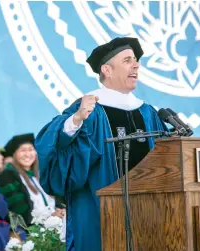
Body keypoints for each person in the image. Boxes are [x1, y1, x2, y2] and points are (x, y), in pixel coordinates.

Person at [34, 37, 168, 251]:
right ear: (107, 69)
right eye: (127, 60)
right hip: (99, 210)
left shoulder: (148, 112)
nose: (136, 65)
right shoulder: (90, 109)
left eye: (135, 60)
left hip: (147, 209)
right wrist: (76, 120)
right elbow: (53, 144)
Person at [0, 133, 65, 226]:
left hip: (54, 223)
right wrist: (50, 217)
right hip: (32, 228)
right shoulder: (8, 175)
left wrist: (61, 210)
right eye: (23, 150)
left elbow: (55, 199)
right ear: (14, 154)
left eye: (31, 149)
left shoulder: (40, 174)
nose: (27, 154)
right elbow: (18, 209)